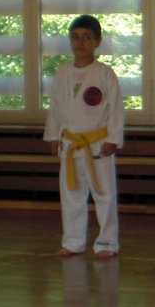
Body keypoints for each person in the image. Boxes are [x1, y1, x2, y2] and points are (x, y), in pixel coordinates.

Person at [43, 15, 124, 259]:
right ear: (70, 41)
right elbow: (56, 107)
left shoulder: (104, 73)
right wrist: (53, 135)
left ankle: (107, 243)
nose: (80, 42)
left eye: (87, 37)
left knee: (104, 194)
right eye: (75, 37)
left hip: (97, 142)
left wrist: (113, 137)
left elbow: (116, 108)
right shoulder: (63, 72)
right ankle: (73, 241)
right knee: (71, 194)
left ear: (97, 41)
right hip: (70, 142)